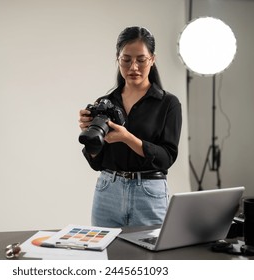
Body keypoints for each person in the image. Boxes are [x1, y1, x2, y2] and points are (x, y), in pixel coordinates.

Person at [78, 26, 182, 228]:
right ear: (117, 59)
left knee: (150, 258)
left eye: (141, 60)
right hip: (108, 190)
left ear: (152, 59)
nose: (133, 67)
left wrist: (127, 138)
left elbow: (166, 158)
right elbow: (96, 164)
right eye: (126, 60)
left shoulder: (168, 103)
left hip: (149, 194)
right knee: (107, 257)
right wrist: (90, 134)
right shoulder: (105, 103)